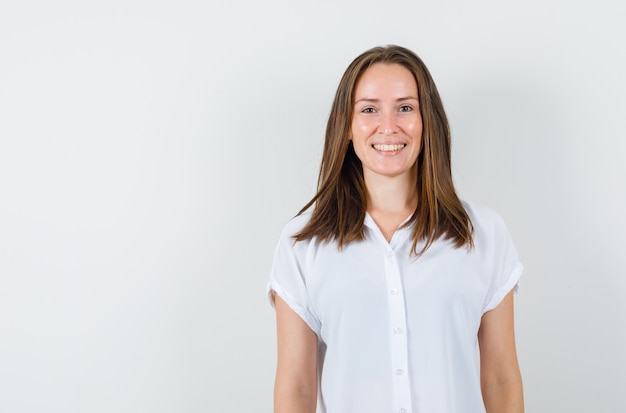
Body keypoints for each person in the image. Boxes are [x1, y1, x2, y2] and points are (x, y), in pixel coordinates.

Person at [267, 45, 524, 413]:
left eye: (405, 107)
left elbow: (500, 377)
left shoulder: (484, 234)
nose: (388, 126)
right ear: (347, 127)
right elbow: (297, 388)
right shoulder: (302, 245)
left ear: (427, 122)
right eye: (369, 109)